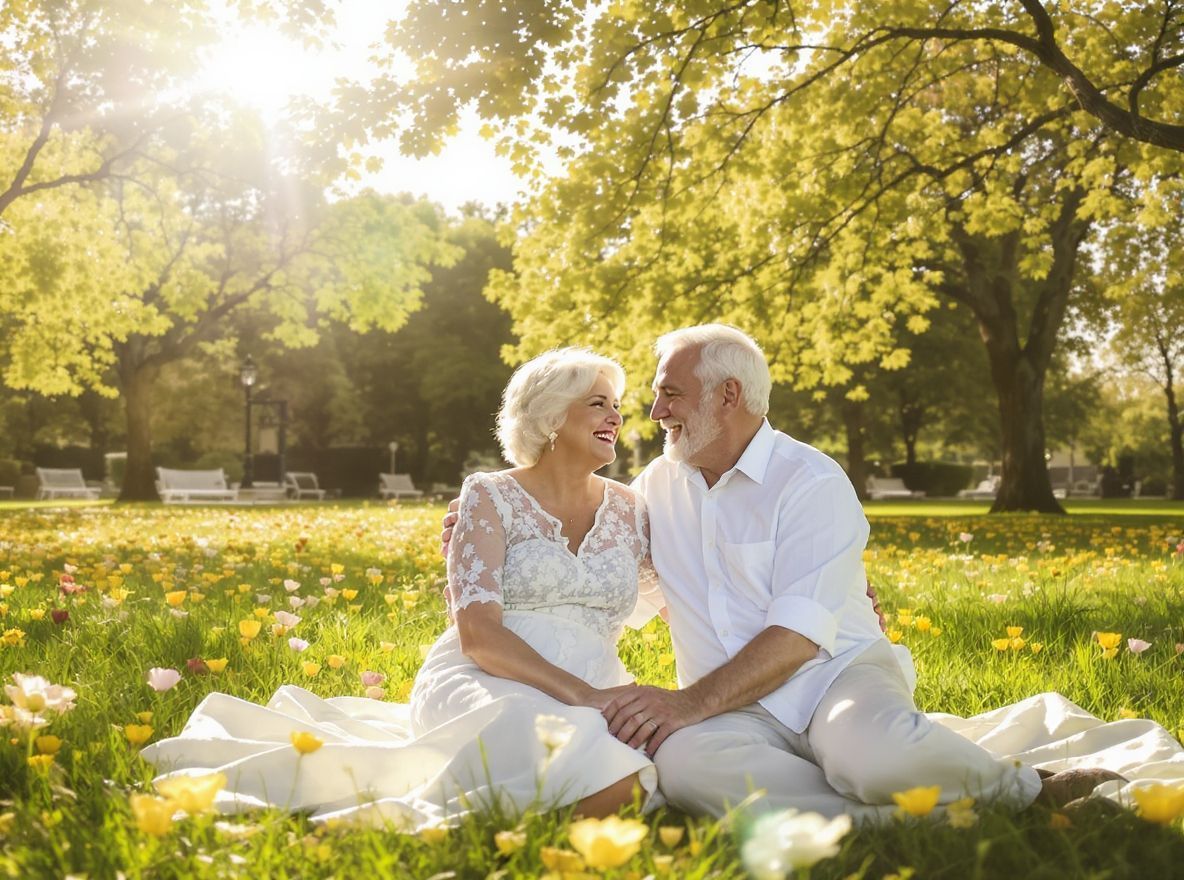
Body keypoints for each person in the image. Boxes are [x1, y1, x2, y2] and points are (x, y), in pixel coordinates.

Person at [439, 326, 1182, 822]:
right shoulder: (658, 488)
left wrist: (686, 703)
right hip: (727, 704)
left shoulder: (810, 480)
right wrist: (491, 523)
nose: (654, 411)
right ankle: (889, 822)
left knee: (873, 750)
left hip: (829, 676)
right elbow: (595, 558)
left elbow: (798, 638)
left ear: (728, 396)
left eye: (671, 393)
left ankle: (1028, 792)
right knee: (690, 774)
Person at [143, 348, 660, 828]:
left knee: (632, 775)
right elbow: (478, 635)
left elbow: (688, 593)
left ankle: (507, 827)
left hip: (596, 679)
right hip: (485, 674)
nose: (616, 416)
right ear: (550, 416)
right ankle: (455, 830)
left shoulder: (632, 512)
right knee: (551, 736)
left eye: (616, 405)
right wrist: (587, 698)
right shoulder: (490, 494)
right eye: (598, 404)